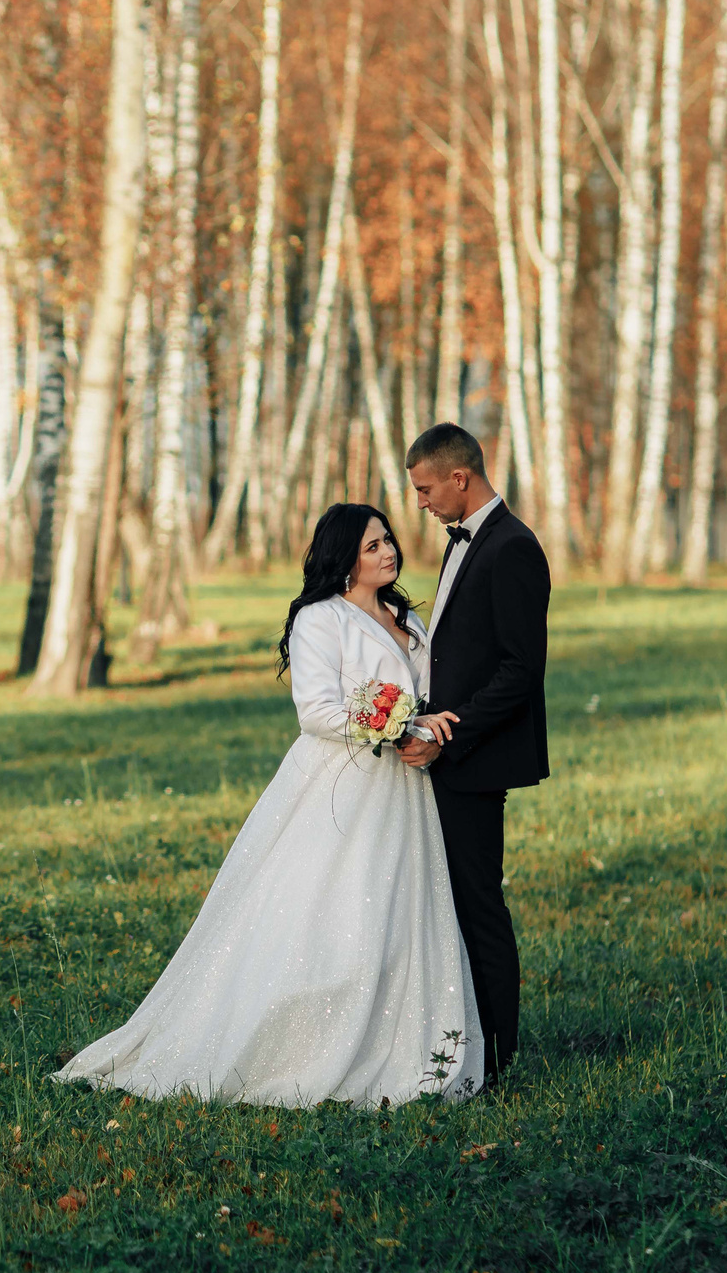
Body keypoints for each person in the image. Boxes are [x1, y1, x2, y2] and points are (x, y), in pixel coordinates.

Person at [54, 503, 483, 1109]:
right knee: (332, 912)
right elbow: (316, 712)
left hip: (406, 789)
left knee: (397, 912)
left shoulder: (404, 616)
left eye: (388, 541)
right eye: (371, 547)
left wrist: (427, 724)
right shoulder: (320, 618)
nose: (387, 553)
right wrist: (397, 724)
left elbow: (425, 686)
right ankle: (299, 1043)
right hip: (343, 784)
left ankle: (397, 1038)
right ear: (343, 558)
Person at [399, 422, 549, 1084]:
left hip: (475, 759)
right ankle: (465, 1043)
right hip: (447, 753)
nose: (422, 503)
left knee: (479, 906)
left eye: (427, 490)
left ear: (460, 478)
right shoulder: (464, 541)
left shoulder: (513, 547)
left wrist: (444, 731)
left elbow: (520, 671)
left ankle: (499, 1057)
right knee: (454, 902)